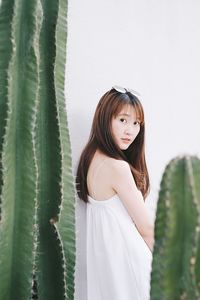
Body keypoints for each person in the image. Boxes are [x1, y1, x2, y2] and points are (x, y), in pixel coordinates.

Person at [76, 85, 154, 300]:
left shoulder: (91, 158)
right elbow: (146, 228)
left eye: (136, 123)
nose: (130, 130)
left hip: (111, 267)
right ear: (105, 119)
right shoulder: (116, 167)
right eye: (122, 120)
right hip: (132, 264)